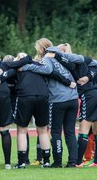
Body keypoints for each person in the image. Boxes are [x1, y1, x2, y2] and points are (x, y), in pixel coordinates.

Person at [22, 40, 79, 168]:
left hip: (58, 99)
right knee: (70, 131)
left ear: (42, 48)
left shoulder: (47, 58)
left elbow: (47, 70)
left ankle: (57, 161)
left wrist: (27, 66)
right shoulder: (62, 56)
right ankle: (72, 161)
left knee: (56, 132)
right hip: (73, 98)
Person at [50, 42, 97, 167]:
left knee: (83, 130)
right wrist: (87, 76)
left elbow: (62, 61)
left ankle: (78, 162)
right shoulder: (80, 61)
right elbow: (93, 73)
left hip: (89, 94)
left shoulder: (68, 61)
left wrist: (53, 54)